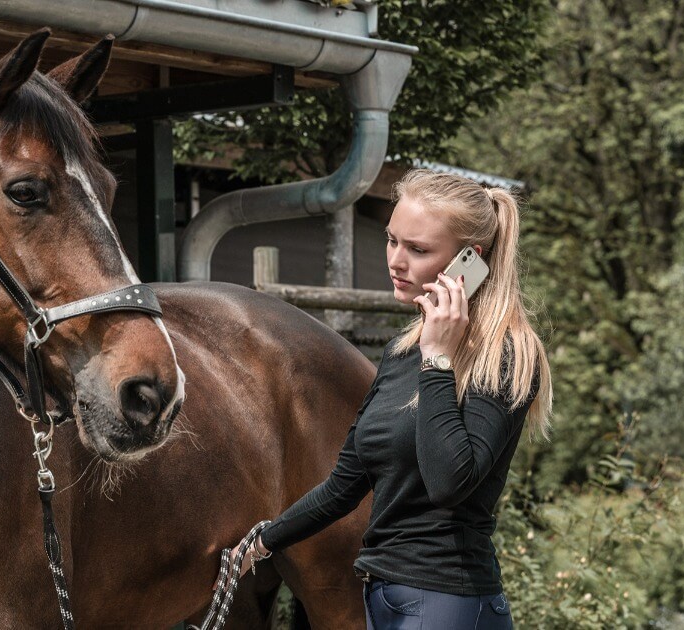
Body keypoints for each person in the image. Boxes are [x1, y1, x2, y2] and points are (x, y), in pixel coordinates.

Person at [237, 169, 554, 629]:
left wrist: (439, 360)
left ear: (470, 259)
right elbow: (344, 486)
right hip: (383, 598)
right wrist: (258, 544)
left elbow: (449, 482)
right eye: (391, 241)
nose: (396, 261)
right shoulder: (403, 353)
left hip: (447, 601)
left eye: (418, 249)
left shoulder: (505, 354)